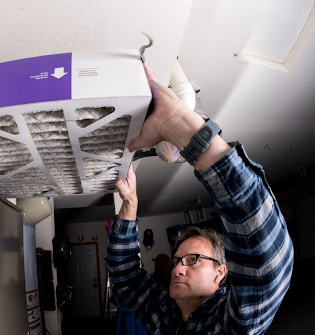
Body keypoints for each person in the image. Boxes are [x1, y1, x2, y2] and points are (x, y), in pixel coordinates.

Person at [106, 64, 294, 335]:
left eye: (190, 260)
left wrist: (130, 204)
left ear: (220, 273)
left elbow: (123, 278)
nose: (177, 269)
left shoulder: (209, 321)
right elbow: (265, 265)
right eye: (182, 260)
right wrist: (130, 204)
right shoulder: (189, 317)